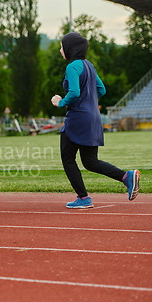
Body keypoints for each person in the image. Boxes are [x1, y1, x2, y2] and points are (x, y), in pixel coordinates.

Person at [51, 32, 140, 209]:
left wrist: (60, 102)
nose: (61, 50)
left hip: (77, 119)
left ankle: (83, 198)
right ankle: (126, 177)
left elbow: (74, 92)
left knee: (67, 157)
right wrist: (88, 100)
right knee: (90, 161)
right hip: (93, 119)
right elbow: (101, 90)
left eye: (62, 46)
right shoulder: (89, 65)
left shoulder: (72, 67)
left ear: (70, 48)